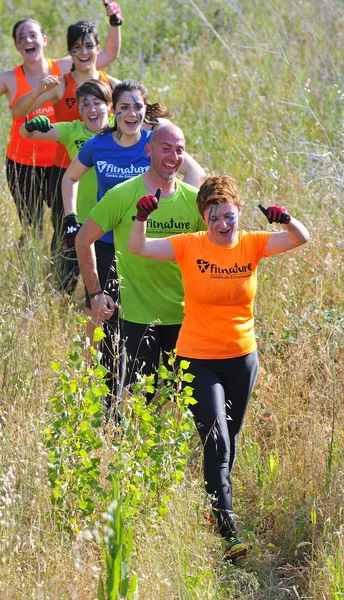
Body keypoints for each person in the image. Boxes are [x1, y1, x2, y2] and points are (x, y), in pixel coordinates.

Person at [127, 174, 310, 560]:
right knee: (216, 439)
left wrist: (286, 218)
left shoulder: (252, 244)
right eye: (214, 219)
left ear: (239, 212)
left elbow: (301, 238)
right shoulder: (189, 245)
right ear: (203, 220)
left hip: (243, 358)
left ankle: (216, 504)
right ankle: (229, 532)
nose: (223, 226)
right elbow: (137, 247)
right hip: (197, 356)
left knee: (230, 438)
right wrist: (141, 217)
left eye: (229, 217)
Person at [0, 7, 121, 241]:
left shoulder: (63, 67)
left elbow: (104, 55)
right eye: (21, 38)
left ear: (44, 40)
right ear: (17, 46)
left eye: (33, 35)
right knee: (35, 227)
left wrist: (115, 21)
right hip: (25, 163)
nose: (28, 40)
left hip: (63, 161)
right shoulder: (13, 78)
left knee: (69, 222)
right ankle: (33, 266)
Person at [75, 122, 207, 409]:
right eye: (166, 148)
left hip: (184, 317)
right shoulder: (122, 195)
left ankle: (169, 452)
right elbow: (83, 240)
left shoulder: (195, 201)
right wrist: (96, 294)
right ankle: (126, 448)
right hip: (137, 317)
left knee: (181, 397)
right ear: (148, 150)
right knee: (137, 395)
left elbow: (212, 253)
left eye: (180, 150)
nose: (173, 156)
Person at [12, 19, 121, 253]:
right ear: (69, 52)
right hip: (65, 171)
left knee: (108, 231)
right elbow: (17, 111)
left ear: (98, 49)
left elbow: (140, 111)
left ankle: (99, 285)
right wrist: (38, 91)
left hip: (106, 171)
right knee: (66, 234)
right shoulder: (61, 84)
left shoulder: (111, 85)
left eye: (89, 46)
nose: (83, 53)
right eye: (76, 48)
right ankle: (61, 288)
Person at [19, 79, 113, 303]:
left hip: (112, 220)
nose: (91, 109)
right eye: (85, 104)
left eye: (97, 102)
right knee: (66, 280)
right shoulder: (72, 130)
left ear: (109, 106)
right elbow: (27, 134)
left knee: (109, 280)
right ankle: (60, 315)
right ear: (78, 110)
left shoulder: (120, 129)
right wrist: (31, 125)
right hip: (79, 219)